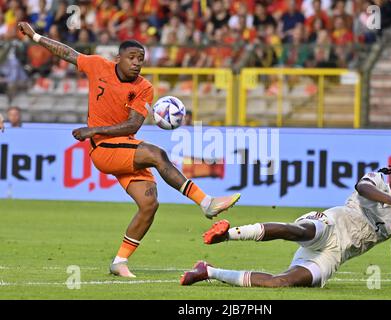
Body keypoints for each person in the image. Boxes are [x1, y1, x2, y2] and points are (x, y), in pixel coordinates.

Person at [17, 22, 241, 278]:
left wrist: (91, 130)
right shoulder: (98, 66)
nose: (137, 63)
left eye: (141, 59)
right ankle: (206, 202)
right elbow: (68, 53)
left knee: (149, 204)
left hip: (118, 146)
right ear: (118, 58)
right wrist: (35, 36)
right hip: (103, 150)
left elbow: (134, 124)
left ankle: (119, 261)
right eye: (132, 57)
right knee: (157, 155)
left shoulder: (143, 87)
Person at [181, 157, 391, 290]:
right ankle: (229, 235)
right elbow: (362, 188)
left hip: (335, 254)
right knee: (297, 230)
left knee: (281, 283)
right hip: (332, 223)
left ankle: (208, 272)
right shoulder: (377, 180)